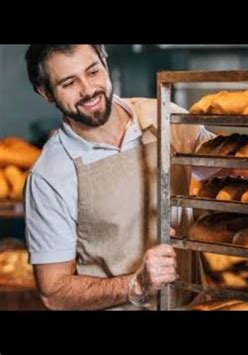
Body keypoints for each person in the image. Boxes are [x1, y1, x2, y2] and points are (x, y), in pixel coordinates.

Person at [24, 44, 215, 310]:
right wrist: (136, 285)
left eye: (93, 72)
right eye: (69, 83)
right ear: (46, 93)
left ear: (104, 62)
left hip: (192, 305)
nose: (88, 89)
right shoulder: (50, 175)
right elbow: (54, 292)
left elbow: (228, 170)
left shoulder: (163, 117)